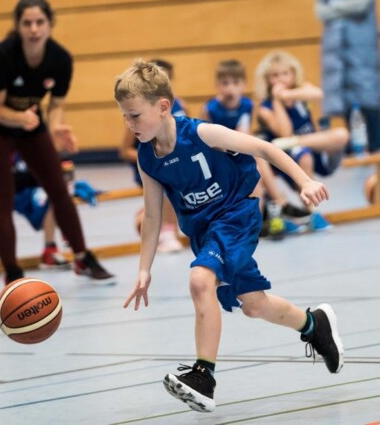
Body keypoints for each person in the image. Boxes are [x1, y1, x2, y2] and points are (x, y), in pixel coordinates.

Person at [116, 59, 344, 413]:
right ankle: (315, 325)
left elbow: (266, 149)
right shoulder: (148, 157)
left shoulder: (201, 133)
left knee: (199, 280)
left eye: (133, 115)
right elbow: (152, 214)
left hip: (236, 215)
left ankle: (203, 377)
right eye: (125, 116)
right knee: (254, 305)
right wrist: (144, 269)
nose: (128, 124)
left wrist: (305, 181)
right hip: (205, 231)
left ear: (163, 107)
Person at [0, 0, 114, 284]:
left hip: (30, 122)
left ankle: (82, 258)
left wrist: (57, 128)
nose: (34, 29)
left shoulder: (60, 60)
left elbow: (56, 104)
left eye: (40, 22)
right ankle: (12, 272)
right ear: (18, 26)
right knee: (3, 195)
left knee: (59, 187)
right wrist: (22, 118)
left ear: (49, 24)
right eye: (27, 23)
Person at [200, 59, 311, 238]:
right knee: (256, 157)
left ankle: (258, 221)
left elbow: (246, 134)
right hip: (219, 158)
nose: (230, 89)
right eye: (225, 83)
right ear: (217, 86)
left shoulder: (248, 105)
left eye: (235, 83)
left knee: (256, 169)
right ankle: (281, 203)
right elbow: (204, 141)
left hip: (239, 153)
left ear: (243, 85)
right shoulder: (210, 108)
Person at [255, 50, 349, 231]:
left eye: (285, 74)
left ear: (293, 74)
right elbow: (285, 131)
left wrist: (288, 96)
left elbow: (320, 94)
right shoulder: (266, 108)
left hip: (309, 146)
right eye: (275, 75)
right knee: (303, 155)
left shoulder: (301, 92)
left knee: (342, 134)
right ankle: (312, 212)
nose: (281, 79)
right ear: (267, 79)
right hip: (287, 155)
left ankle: (298, 142)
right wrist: (277, 101)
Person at [119, 59, 185, 253]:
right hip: (150, 167)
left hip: (176, 162)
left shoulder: (178, 106)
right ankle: (166, 231)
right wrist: (150, 159)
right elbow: (124, 150)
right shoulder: (138, 111)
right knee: (168, 176)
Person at [311, 0, 380, 154]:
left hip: (363, 50)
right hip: (337, 54)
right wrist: (347, 3)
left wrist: (333, 5)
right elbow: (320, 11)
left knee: (369, 99)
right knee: (349, 106)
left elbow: (361, 3)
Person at [10, 152, 71, 269]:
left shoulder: (36, 143)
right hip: (12, 192)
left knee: (58, 195)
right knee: (51, 196)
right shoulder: (5, 146)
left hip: (32, 188)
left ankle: (52, 248)